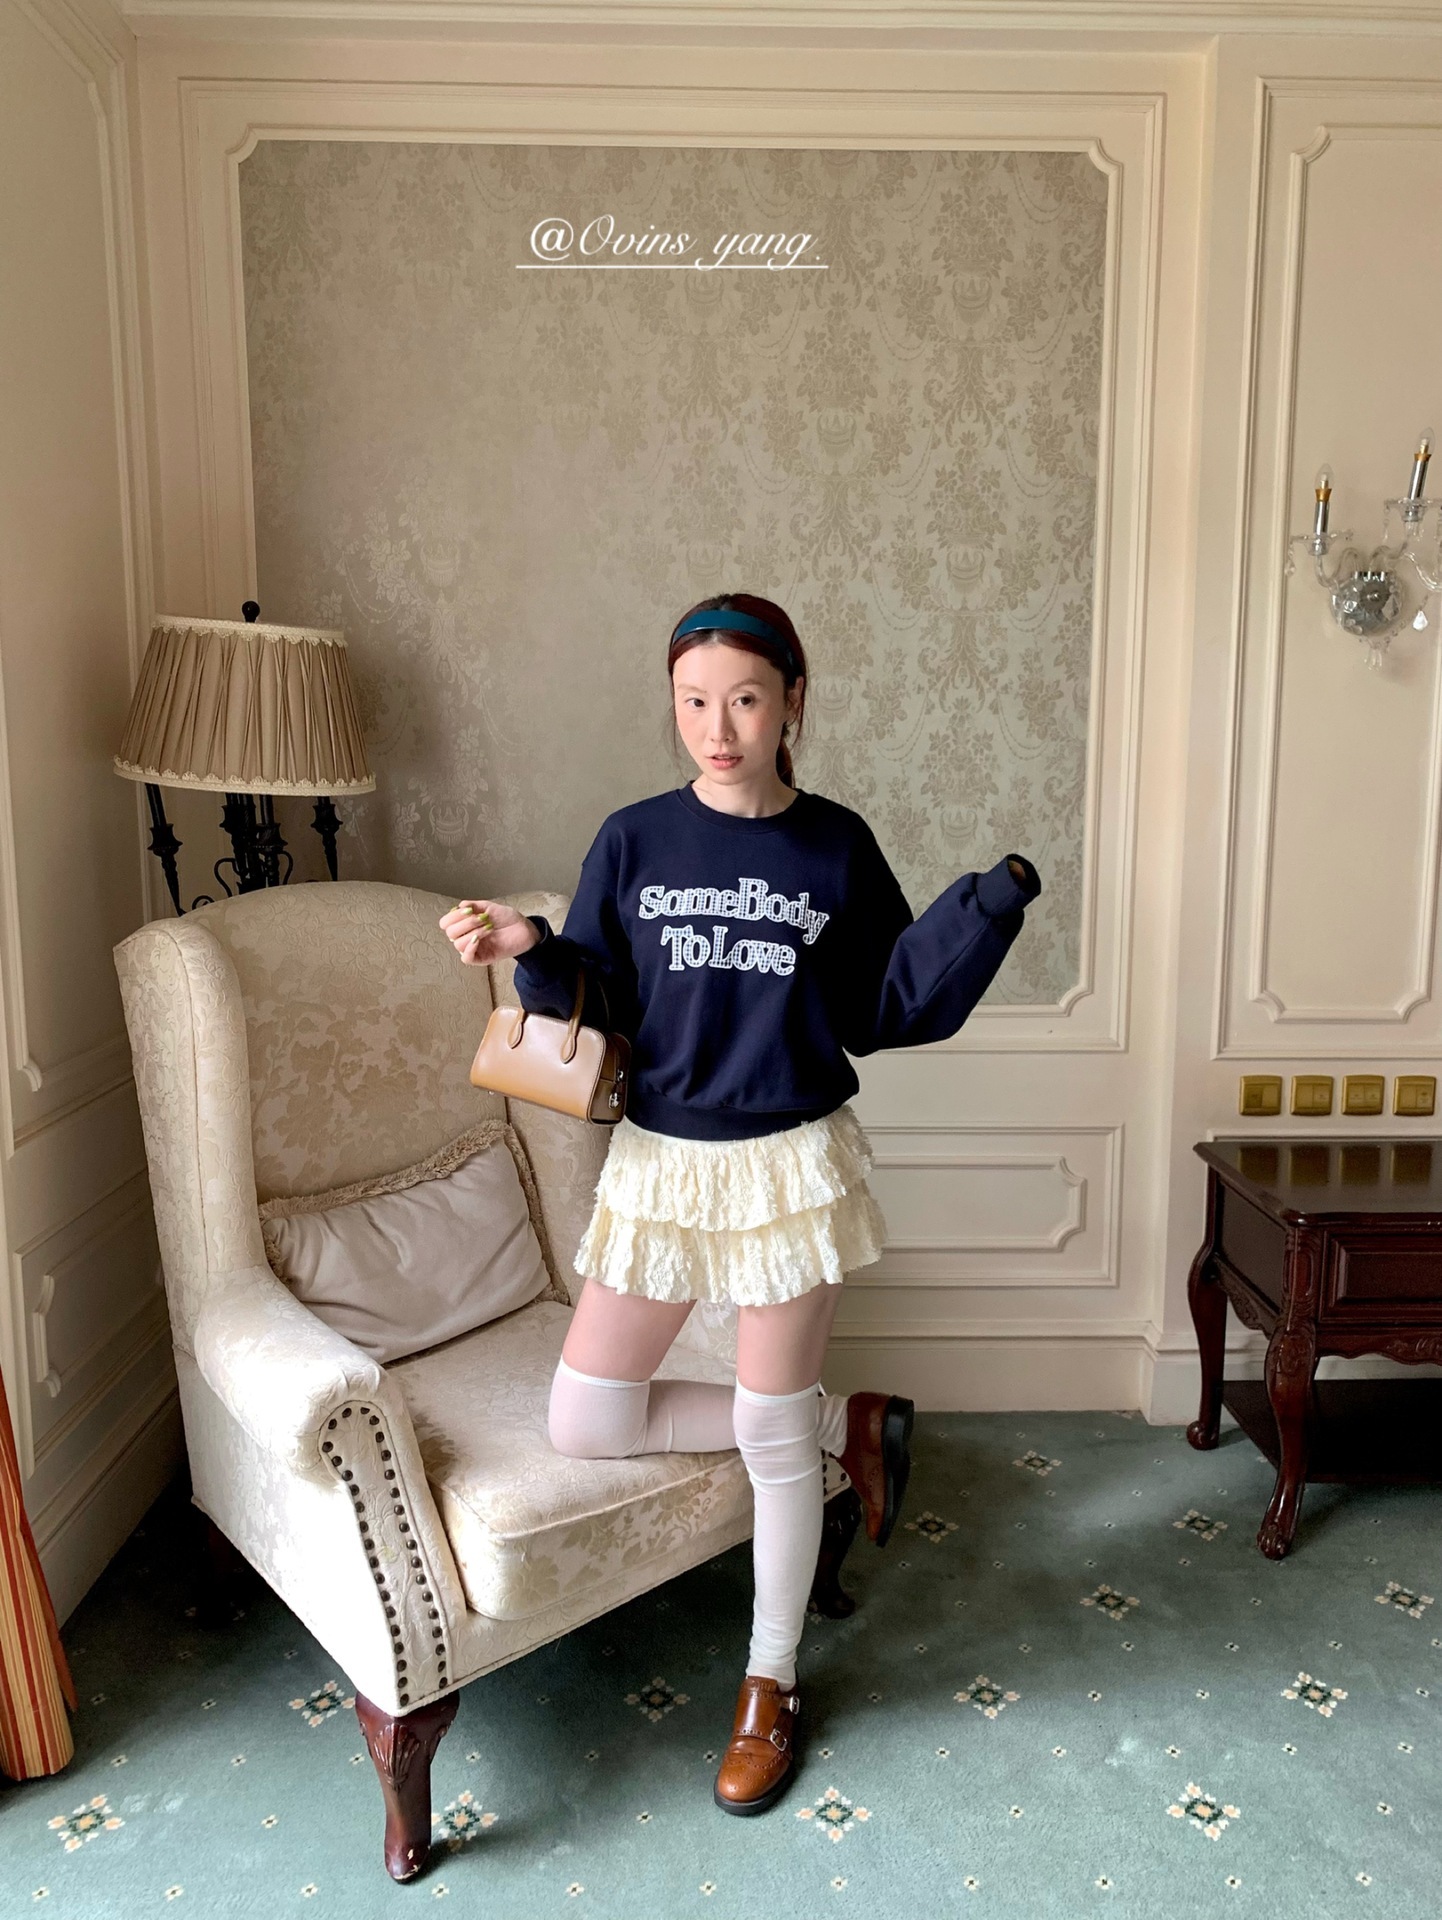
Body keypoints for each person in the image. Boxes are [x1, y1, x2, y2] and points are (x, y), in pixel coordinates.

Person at [440, 592, 1041, 1816]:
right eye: (693, 702)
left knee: (768, 1437)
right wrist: (530, 945)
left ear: (792, 704)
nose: (717, 729)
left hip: (786, 1163)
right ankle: (842, 1429)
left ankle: (769, 1681)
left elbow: (883, 1004)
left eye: (745, 700)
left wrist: (985, 907)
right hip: (663, 1160)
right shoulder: (633, 838)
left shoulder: (834, 846)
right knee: (587, 1416)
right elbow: (596, 998)